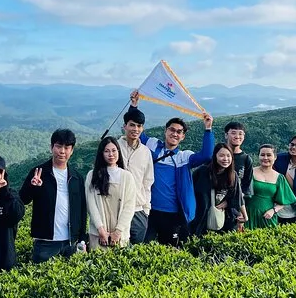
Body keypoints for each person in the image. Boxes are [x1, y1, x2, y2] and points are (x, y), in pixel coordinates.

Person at [130, 91, 215, 246]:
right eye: (172, 129)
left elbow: (206, 155)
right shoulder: (153, 145)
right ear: (166, 131)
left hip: (174, 214)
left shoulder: (184, 157)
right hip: (150, 210)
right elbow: (137, 133)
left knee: (170, 249)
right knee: (144, 247)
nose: (174, 133)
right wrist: (134, 106)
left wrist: (208, 129)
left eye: (179, 132)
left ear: (183, 136)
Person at [19, 129, 88, 263]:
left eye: (66, 147)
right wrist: (33, 187)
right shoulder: (39, 172)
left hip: (70, 242)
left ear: (72, 150)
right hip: (45, 241)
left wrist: (82, 239)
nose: (62, 151)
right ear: (51, 147)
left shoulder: (76, 177)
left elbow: (82, 210)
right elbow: (23, 199)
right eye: (58, 146)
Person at [85, 136, 137, 250]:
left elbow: (129, 206)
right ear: (101, 154)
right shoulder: (92, 175)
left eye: (114, 150)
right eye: (107, 151)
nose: (111, 154)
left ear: (118, 151)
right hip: (98, 234)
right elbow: (91, 205)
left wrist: (118, 231)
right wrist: (100, 229)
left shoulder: (127, 176)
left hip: (120, 235)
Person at [116, 97, 154, 244]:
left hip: (138, 210)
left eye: (139, 126)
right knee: (116, 249)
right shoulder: (114, 148)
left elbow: (148, 182)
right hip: (117, 208)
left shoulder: (145, 152)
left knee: (136, 251)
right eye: (132, 125)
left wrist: (146, 210)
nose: (135, 129)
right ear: (125, 126)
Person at [190, 143, 248, 236]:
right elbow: (191, 192)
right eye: (221, 155)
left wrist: (244, 215)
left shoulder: (233, 175)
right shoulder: (202, 172)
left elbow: (238, 196)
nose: (225, 159)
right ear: (215, 156)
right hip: (201, 218)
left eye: (228, 156)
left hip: (225, 218)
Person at [245, 144, 296, 229]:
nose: (265, 158)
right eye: (262, 155)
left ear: (275, 157)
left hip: (268, 217)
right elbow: (239, 195)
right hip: (248, 215)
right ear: (258, 156)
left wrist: (273, 210)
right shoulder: (249, 173)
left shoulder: (279, 177)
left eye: (269, 155)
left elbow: (283, 202)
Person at [224, 122, 254, 200]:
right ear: (226, 135)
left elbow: (246, 186)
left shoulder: (246, 159)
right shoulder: (218, 156)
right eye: (233, 133)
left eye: (240, 134)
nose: (237, 137)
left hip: (237, 202)